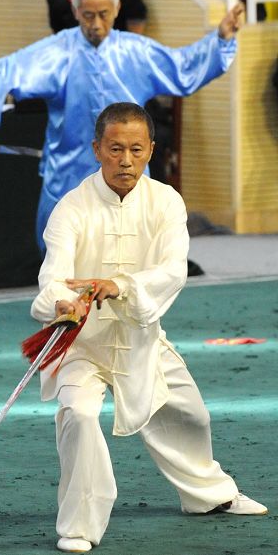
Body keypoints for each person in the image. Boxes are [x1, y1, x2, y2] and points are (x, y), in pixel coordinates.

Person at [30, 102, 267, 553]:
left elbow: (173, 270)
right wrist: (62, 301)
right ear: (97, 148)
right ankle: (79, 526)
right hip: (84, 344)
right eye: (115, 148)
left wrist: (118, 285)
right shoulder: (71, 208)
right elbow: (52, 278)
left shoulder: (166, 201)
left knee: (190, 414)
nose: (125, 160)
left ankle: (210, 497)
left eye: (136, 150)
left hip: (143, 336)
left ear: (150, 150)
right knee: (78, 416)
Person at [0, 0, 244, 256]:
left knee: (130, 257)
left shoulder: (136, 52)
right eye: (88, 15)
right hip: (68, 174)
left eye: (104, 14)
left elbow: (183, 66)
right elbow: (1, 73)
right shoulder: (56, 53)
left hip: (128, 171)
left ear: (117, 10)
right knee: (63, 257)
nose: (97, 24)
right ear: (76, 11)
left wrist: (221, 38)